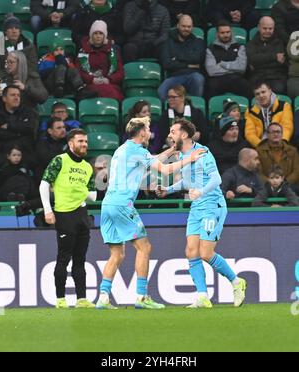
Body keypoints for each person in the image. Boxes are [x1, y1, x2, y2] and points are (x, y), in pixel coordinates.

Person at [96, 116, 206, 309]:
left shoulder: (123, 149)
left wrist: (172, 150)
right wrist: (189, 158)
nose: (150, 132)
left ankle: (103, 297)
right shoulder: (138, 150)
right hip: (123, 204)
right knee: (144, 248)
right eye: (147, 128)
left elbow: (152, 161)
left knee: (117, 254)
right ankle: (141, 297)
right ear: (141, 133)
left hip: (108, 205)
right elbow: (163, 170)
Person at [156, 118, 247, 308]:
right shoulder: (183, 155)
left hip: (212, 205)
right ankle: (203, 296)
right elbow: (187, 182)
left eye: (173, 131)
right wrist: (168, 189)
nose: (170, 135)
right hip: (197, 207)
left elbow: (216, 179)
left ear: (184, 135)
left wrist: (201, 192)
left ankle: (237, 282)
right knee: (191, 251)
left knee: (206, 253)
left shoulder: (203, 152)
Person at [39, 128, 96, 309]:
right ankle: (60, 299)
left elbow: (93, 196)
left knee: (80, 259)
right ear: (71, 143)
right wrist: (48, 210)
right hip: (64, 214)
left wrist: (83, 190)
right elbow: (44, 184)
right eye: (80, 141)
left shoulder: (87, 167)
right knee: (64, 257)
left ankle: (81, 299)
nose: (84, 144)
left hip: (82, 214)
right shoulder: (59, 160)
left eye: (86, 141)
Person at [158, 14, 205, 101]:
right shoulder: (167, 42)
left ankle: (193, 110)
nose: (186, 29)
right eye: (183, 26)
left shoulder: (198, 42)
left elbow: (197, 59)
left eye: (189, 27)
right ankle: (169, 112)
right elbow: (166, 64)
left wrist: (176, 58)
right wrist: (188, 65)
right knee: (162, 90)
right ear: (177, 25)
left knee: (198, 79)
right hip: (174, 76)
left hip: (192, 75)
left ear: (192, 27)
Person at [77, 20, 124, 101]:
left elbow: (120, 72)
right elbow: (79, 71)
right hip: (90, 85)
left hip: (110, 84)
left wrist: (109, 79)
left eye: (101, 33)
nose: (98, 36)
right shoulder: (83, 52)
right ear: (91, 35)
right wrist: (92, 79)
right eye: (95, 33)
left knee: (111, 92)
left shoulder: (113, 52)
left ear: (104, 36)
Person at [205, 20, 252, 99]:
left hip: (236, 79)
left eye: (228, 32)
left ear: (231, 32)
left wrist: (223, 64)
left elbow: (242, 68)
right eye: (222, 33)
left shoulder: (240, 47)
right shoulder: (210, 49)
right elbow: (212, 71)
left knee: (248, 87)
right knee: (209, 88)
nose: (226, 35)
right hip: (218, 80)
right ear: (217, 34)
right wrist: (233, 68)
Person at [158, 85, 210, 150]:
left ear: (182, 98)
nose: (170, 100)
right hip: (172, 149)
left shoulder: (197, 113)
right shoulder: (165, 115)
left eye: (173, 97)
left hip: (194, 148)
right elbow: (164, 137)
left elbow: (204, 134)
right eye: (169, 97)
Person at [0, 85, 39, 168]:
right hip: (3, 154)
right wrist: (20, 132)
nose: (16, 98)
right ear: (4, 98)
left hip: (26, 153)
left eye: (18, 95)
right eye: (13, 95)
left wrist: (9, 126)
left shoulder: (28, 112)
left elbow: (30, 127)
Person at [245, 81, 294, 148]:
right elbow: (249, 133)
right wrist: (261, 146)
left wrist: (282, 143)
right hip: (260, 145)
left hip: (280, 142)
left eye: (263, 92)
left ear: (270, 91)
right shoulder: (250, 111)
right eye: (257, 94)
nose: (261, 96)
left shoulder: (284, 106)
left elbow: (287, 127)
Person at [246, 16, 287, 94]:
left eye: (270, 28)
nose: (268, 31)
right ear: (259, 27)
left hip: (276, 77)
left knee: (279, 89)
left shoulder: (280, 42)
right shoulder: (251, 44)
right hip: (258, 77)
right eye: (265, 28)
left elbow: (280, 62)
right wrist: (274, 56)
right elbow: (252, 59)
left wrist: (260, 59)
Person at [256, 122, 299, 189]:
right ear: (267, 134)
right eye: (273, 132)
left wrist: (285, 182)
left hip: (289, 187)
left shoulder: (292, 151)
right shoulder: (259, 151)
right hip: (266, 187)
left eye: (278, 132)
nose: (276, 134)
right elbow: (258, 172)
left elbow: (297, 171)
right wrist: (270, 182)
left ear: (282, 134)